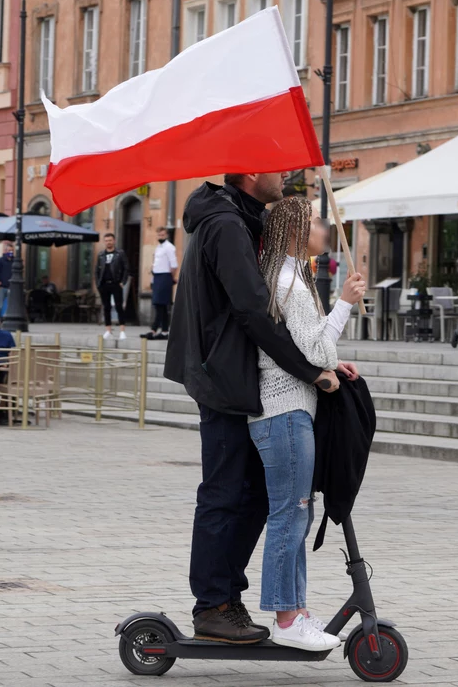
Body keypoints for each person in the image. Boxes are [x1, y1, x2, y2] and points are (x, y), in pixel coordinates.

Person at [164, 172, 343, 645]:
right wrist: (310, 372)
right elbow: (253, 311)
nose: (283, 176)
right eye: (275, 169)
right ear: (249, 172)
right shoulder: (226, 224)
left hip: (236, 378)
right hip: (224, 379)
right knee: (224, 494)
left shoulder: (240, 220)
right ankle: (212, 605)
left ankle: (227, 597)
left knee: (254, 496)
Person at [249, 197, 364, 650]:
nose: (322, 227)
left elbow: (306, 347)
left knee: (298, 512)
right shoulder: (288, 282)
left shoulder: (291, 277)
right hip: (284, 412)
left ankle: (294, 609)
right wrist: (345, 305)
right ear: (297, 231)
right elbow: (316, 351)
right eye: (316, 222)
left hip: (290, 409)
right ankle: (285, 617)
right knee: (290, 515)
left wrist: (336, 363)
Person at [95, 233, 129, 341]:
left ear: (114, 241)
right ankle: (108, 330)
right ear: (104, 242)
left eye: (110, 240)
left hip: (116, 283)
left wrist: (123, 282)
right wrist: (98, 283)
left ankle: (122, 330)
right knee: (106, 307)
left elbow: (126, 268)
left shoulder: (120, 253)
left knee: (119, 307)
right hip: (104, 284)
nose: (108, 242)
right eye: (106, 240)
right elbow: (97, 270)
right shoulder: (101, 255)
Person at [147, 226, 178, 340]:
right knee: (160, 305)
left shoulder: (169, 247)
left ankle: (153, 329)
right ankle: (165, 331)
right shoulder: (158, 247)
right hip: (157, 277)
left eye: (163, 235)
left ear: (167, 235)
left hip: (165, 276)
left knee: (160, 303)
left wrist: (171, 278)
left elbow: (174, 265)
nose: (160, 237)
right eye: (159, 235)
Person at [0, 242, 14, 316]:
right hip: (2, 286)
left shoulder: (14, 261)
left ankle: (7, 318)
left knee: (10, 304)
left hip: (11, 286)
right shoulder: (0, 260)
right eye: (9, 250)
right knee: (0, 304)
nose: (10, 252)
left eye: (12, 251)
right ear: (5, 251)